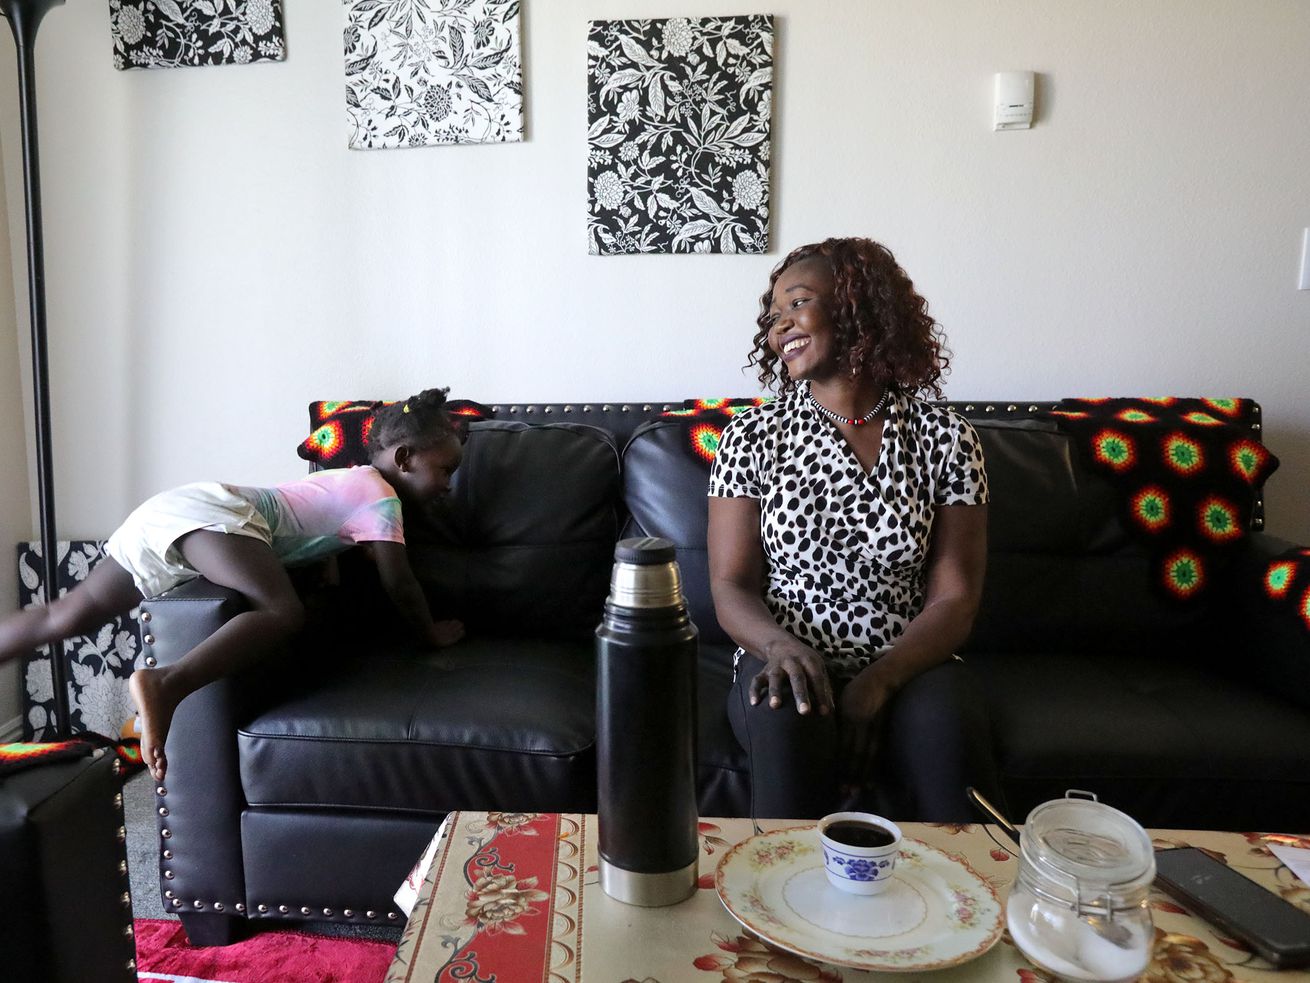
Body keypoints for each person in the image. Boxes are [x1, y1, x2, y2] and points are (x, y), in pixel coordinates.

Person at [0, 388, 466, 783]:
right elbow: (399, 582)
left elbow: (312, 538)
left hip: (174, 509)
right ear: (405, 459)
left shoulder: (350, 482)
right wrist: (429, 634)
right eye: (445, 470)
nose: (448, 484)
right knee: (280, 612)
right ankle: (166, 683)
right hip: (216, 517)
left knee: (63, 614)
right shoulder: (383, 501)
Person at [707, 237, 1004, 822]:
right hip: (783, 655)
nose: (779, 325)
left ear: (855, 305)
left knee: (947, 732)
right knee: (786, 713)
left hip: (911, 660)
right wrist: (782, 648)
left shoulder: (946, 439)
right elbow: (730, 585)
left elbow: (956, 597)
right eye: (772, 315)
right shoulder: (751, 436)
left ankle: (968, 899)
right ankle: (776, 905)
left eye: (796, 304)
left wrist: (877, 682)